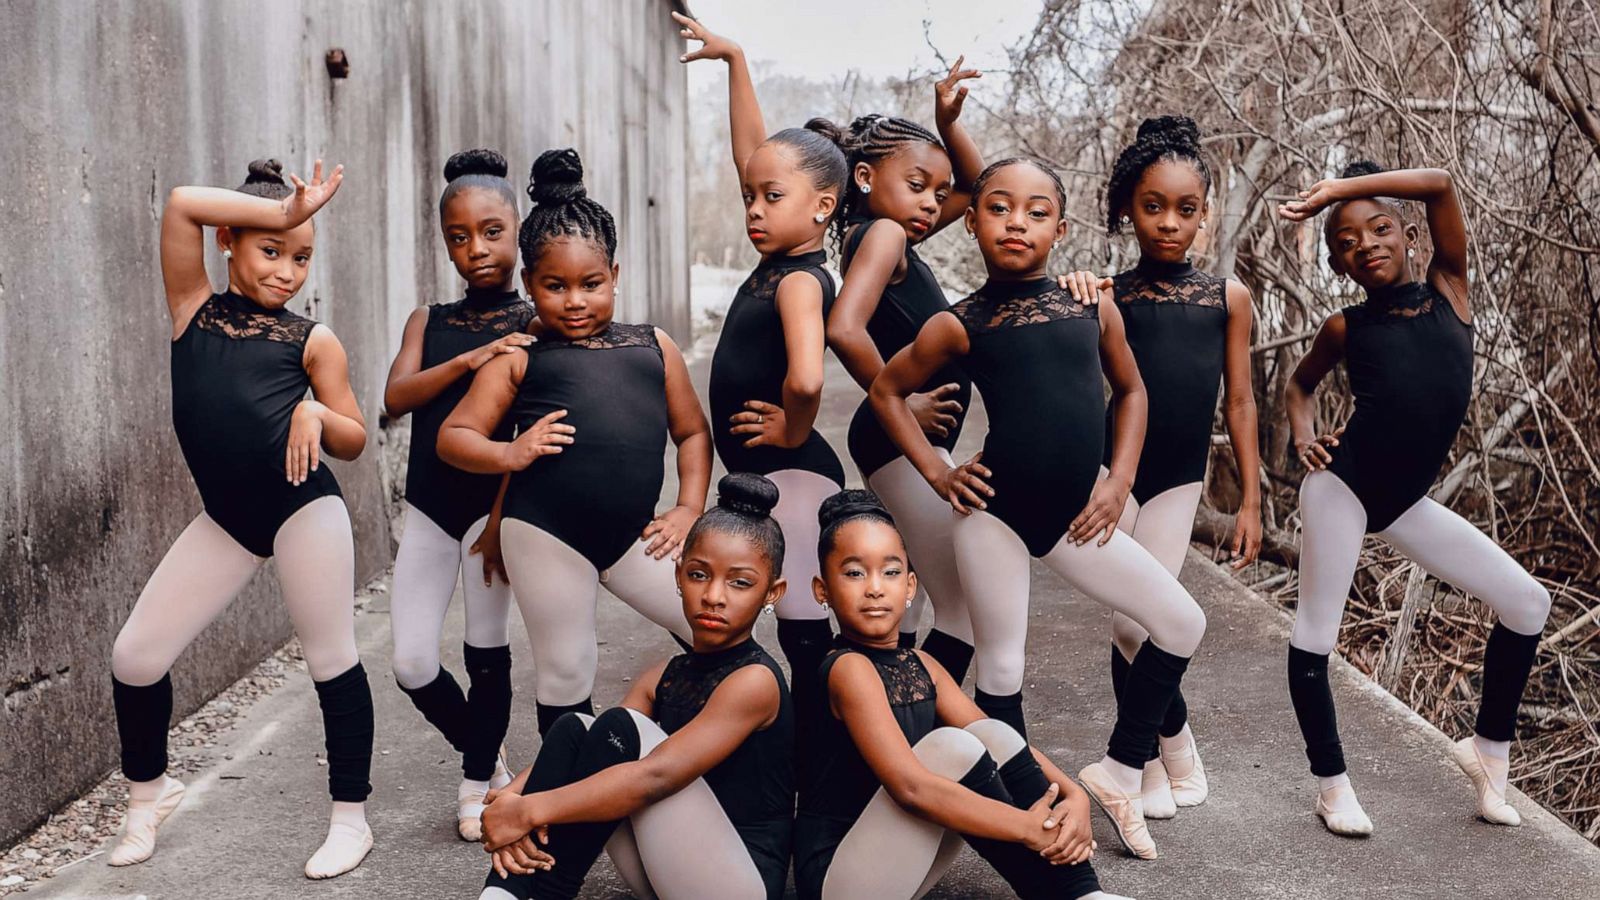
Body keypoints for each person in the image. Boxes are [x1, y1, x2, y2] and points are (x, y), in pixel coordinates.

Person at [870, 157, 1207, 859]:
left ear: (1061, 225)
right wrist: (937, 473)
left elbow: (1133, 392)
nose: (1015, 222)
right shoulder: (959, 324)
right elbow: (885, 392)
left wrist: (1117, 481)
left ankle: (1117, 770)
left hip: (1075, 512)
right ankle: (1028, 822)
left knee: (1181, 620)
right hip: (993, 511)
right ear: (973, 222)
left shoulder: (1091, 304)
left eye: (1034, 211)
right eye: (997, 208)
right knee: (1000, 669)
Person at [108, 159, 375, 878]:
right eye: (272, 248)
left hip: (301, 508)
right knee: (134, 658)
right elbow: (179, 202)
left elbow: (355, 438)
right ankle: (149, 795)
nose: (289, 269)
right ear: (229, 238)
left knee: (331, 659)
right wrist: (287, 209)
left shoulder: (310, 340)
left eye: (303, 255)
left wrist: (317, 413)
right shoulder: (192, 306)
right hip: (227, 517)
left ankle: (351, 820)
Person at [1278, 161, 1551, 836]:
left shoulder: (1449, 291)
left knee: (1526, 603)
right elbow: (1297, 386)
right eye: (1345, 242)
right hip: (1341, 486)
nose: (1365, 244)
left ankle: (1488, 755)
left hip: (1401, 500)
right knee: (1316, 634)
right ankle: (1331, 785)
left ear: (1408, 237)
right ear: (1338, 265)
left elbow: (1442, 183)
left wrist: (1336, 192)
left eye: (1378, 229)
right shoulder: (1346, 327)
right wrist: (1305, 435)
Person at [438, 148, 705, 736]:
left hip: (635, 536)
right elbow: (453, 438)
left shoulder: (653, 346)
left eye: (590, 284)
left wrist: (688, 507)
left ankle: (699, 754)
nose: (575, 300)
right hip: (545, 535)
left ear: (615, 274)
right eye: (555, 286)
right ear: (530, 284)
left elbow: (691, 433)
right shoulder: (519, 358)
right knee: (566, 669)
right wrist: (512, 452)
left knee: (710, 627)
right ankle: (570, 798)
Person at [792, 489, 1128, 899]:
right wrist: (1025, 828)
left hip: (894, 868)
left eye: (891, 572)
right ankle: (1067, 894)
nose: (875, 588)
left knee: (991, 734)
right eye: (854, 573)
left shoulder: (922, 665)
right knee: (952, 746)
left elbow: (1002, 742)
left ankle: (1081, 894)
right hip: (839, 879)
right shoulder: (847, 668)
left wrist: (1073, 795)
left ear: (911, 585)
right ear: (822, 589)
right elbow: (910, 788)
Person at [477, 474, 795, 900]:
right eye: (700, 575)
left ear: (771, 593)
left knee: (621, 729)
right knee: (576, 728)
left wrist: (530, 810)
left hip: (737, 882)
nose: (714, 595)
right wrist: (511, 798)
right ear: (679, 575)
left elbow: (655, 777)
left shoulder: (755, 682)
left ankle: (546, 891)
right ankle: (503, 895)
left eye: (739, 582)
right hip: (670, 868)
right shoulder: (664, 674)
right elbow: (592, 748)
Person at [677, 12, 850, 700]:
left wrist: (795, 428)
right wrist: (736, 62)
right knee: (774, 622)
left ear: (822, 208)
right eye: (749, 197)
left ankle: (818, 768)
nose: (753, 207)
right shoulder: (782, 255)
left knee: (807, 631)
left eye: (770, 199)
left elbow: (807, 374)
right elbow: (757, 156)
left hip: (796, 475)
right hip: (773, 472)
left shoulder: (802, 280)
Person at [1096, 115, 1263, 817]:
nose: (1169, 223)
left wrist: (1251, 502)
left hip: (1177, 481)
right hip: (1114, 477)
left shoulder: (1227, 299)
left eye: (1185, 209)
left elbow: (1242, 404)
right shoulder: (1105, 295)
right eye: (1152, 206)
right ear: (1127, 209)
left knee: (1143, 625)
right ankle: (1157, 768)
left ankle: (1159, 757)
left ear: (1206, 212)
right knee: (1125, 624)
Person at [813, 60, 983, 679]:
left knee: (904, 606)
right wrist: (899, 400)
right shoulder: (883, 233)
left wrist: (947, 122)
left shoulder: (890, 234)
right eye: (917, 185)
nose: (932, 203)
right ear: (864, 176)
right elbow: (843, 327)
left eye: (936, 194)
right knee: (961, 611)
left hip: (895, 434)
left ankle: (880, 724)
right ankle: (910, 726)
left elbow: (977, 185)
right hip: (896, 434)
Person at [383, 148, 532, 841]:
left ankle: (476, 788)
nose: (476, 249)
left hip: (491, 513)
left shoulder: (536, 319)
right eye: (459, 236)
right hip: (430, 510)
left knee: (485, 650)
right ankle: (491, 759)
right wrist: (470, 358)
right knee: (412, 661)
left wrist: (504, 520)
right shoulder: (428, 319)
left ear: (518, 227)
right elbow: (395, 396)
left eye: (492, 231)